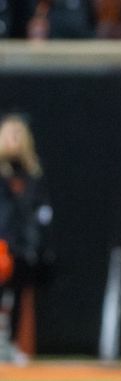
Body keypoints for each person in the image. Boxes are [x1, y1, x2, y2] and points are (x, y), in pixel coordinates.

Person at [0, 114, 53, 365]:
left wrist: (37, 234)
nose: (14, 140)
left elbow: (42, 209)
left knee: (19, 293)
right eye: (10, 134)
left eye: (18, 135)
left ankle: (11, 344)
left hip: (22, 246)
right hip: (1, 243)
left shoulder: (32, 173)